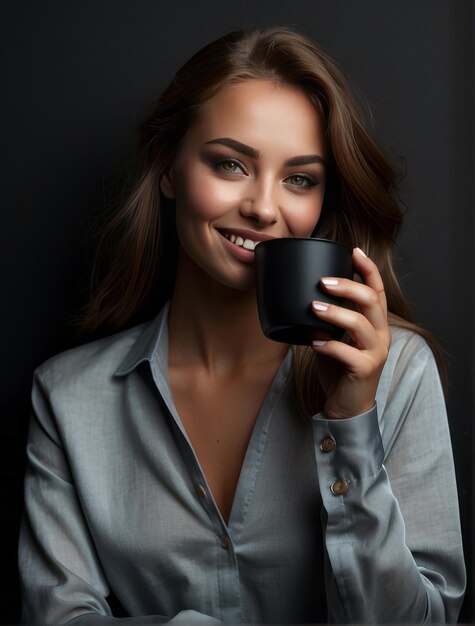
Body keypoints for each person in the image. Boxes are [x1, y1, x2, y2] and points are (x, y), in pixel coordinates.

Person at [19, 26, 465, 624]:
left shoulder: (400, 373)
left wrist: (352, 423)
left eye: (299, 178)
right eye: (230, 164)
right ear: (169, 168)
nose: (263, 206)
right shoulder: (69, 397)